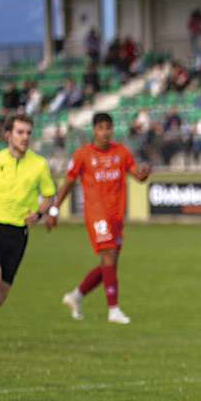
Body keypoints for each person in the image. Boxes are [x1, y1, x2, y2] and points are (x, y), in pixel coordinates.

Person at [0, 113, 56, 356]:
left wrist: (39, 213)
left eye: (28, 133)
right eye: (20, 132)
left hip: (18, 234)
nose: (25, 137)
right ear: (8, 135)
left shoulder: (38, 164)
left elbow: (48, 196)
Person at [53, 113, 152, 324]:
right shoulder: (82, 154)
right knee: (109, 256)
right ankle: (113, 310)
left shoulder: (121, 151)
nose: (105, 132)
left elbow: (138, 176)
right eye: (100, 128)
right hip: (96, 213)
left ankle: (76, 296)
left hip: (116, 215)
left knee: (109, 263)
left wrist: (144, 173)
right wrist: (54, 210)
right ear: (93, 130)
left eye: (108, 127)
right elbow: (69, 182)